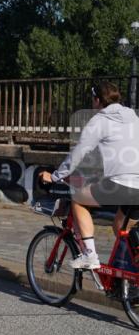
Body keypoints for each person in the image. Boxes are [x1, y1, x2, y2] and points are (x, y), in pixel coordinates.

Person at [41, 81, 139, 269]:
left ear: (97, 100)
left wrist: (54, 176)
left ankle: (89, 255)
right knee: (121, 229)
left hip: (122, 184)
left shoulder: (99, 120)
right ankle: (126, 283)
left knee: (78, 198)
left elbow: (78, 153)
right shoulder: (134, 118)